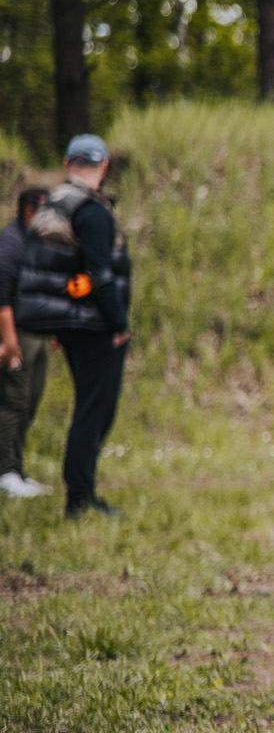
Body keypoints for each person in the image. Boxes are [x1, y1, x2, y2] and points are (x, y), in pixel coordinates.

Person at [15, 137, 131, 519]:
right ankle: (80, 498)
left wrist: (61, 322)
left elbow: (55, 268)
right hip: (95, 325)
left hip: (69, 323)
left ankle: (81, 493)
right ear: (104, 165)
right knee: (95, 412)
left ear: (67, 161)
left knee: (88, 408)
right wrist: (118, 324)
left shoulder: (55, 204)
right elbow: (99, 273)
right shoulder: (92, 211)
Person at [0, 187, 53, 499]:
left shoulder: (33, 243)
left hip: (33, 333)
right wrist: (9, 343)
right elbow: (1, 298)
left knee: (28, 402)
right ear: (30, 212)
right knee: (13, 402)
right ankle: (4, 472)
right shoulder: (11, 244)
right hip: (14, 333)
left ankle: (16, 470)